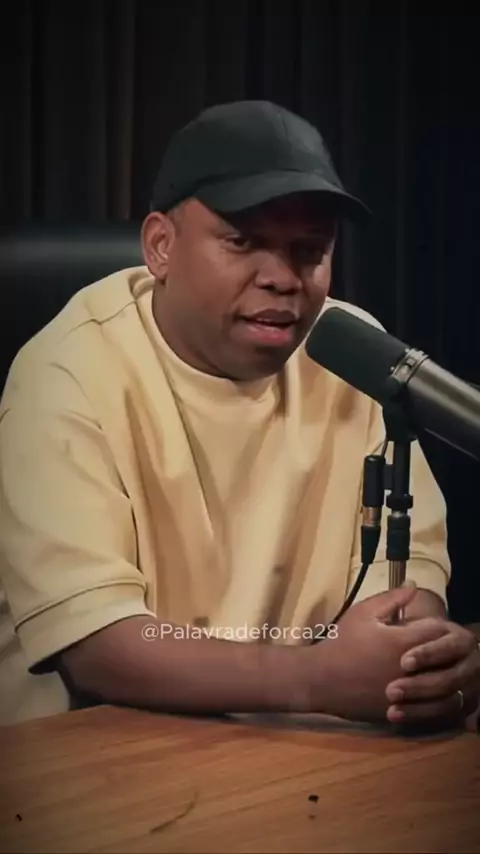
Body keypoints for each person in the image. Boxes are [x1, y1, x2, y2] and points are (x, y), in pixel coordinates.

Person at [0, 100, 479, 729]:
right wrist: (315, 678)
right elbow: (98, 646)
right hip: (100, 751)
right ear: (160, 245)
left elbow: (409, 572)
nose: (282, 278)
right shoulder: (66, 373)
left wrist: (415, 660)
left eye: (309, 250)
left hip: (307, 747)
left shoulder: (355, 355)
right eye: (243, 242)